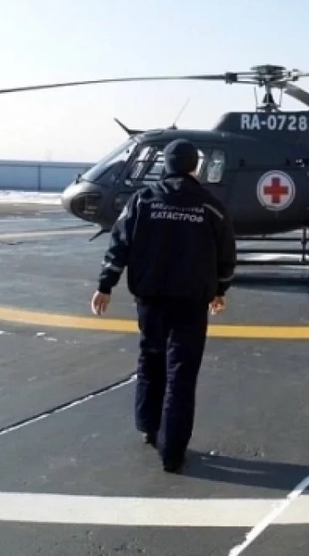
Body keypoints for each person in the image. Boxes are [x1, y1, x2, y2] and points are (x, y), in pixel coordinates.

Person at [89, 138, 236, 473]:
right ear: (193, 166)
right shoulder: (211, 206)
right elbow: (227, 252)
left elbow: (119, 243)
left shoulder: (143, 200)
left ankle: (148, 426)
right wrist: (220, 289)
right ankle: (173, 451)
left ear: (166, 165)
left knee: (151, 360)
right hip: (191, 302)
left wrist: (105, 285)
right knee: (181, 372)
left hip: (151, 299)